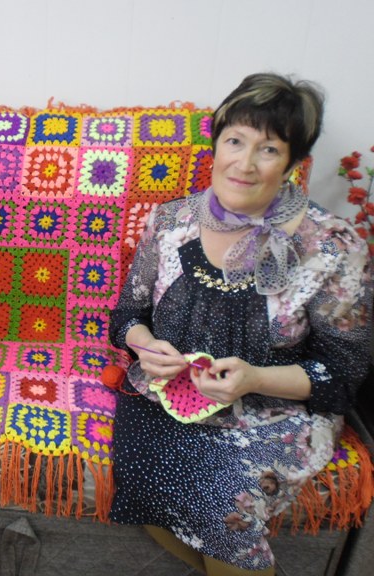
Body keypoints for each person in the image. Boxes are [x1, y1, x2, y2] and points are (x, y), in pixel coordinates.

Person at [108, 72, 372, 575]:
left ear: (292, 163)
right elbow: (127, 316)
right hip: (166, 401)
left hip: (273, 415)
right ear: (217, 144)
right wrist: (144, 346)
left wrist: (253, 379)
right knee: (141, 486)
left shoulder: (332, 245)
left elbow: (341, 372)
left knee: (222, 507)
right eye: (235, 141)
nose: (244, 163)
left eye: (268, 149)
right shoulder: (170, 222)